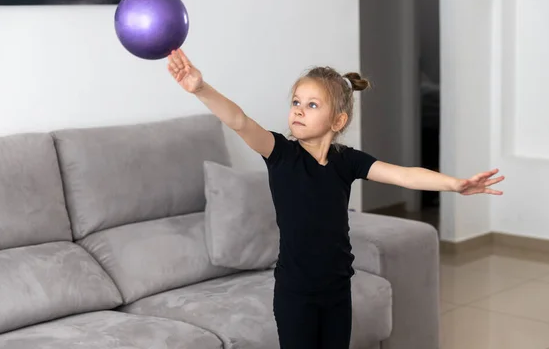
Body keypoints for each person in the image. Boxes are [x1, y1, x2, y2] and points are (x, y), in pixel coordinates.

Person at [166, 49, 505, 349]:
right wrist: (201, 89)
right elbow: (239, 121)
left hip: (337, 290)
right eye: (296, 102)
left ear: (337, 120)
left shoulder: (347, 161)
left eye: (312, 105)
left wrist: (456, 184)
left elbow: (403, 174)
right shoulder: (281, 154)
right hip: (295, 294)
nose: (298, 110)